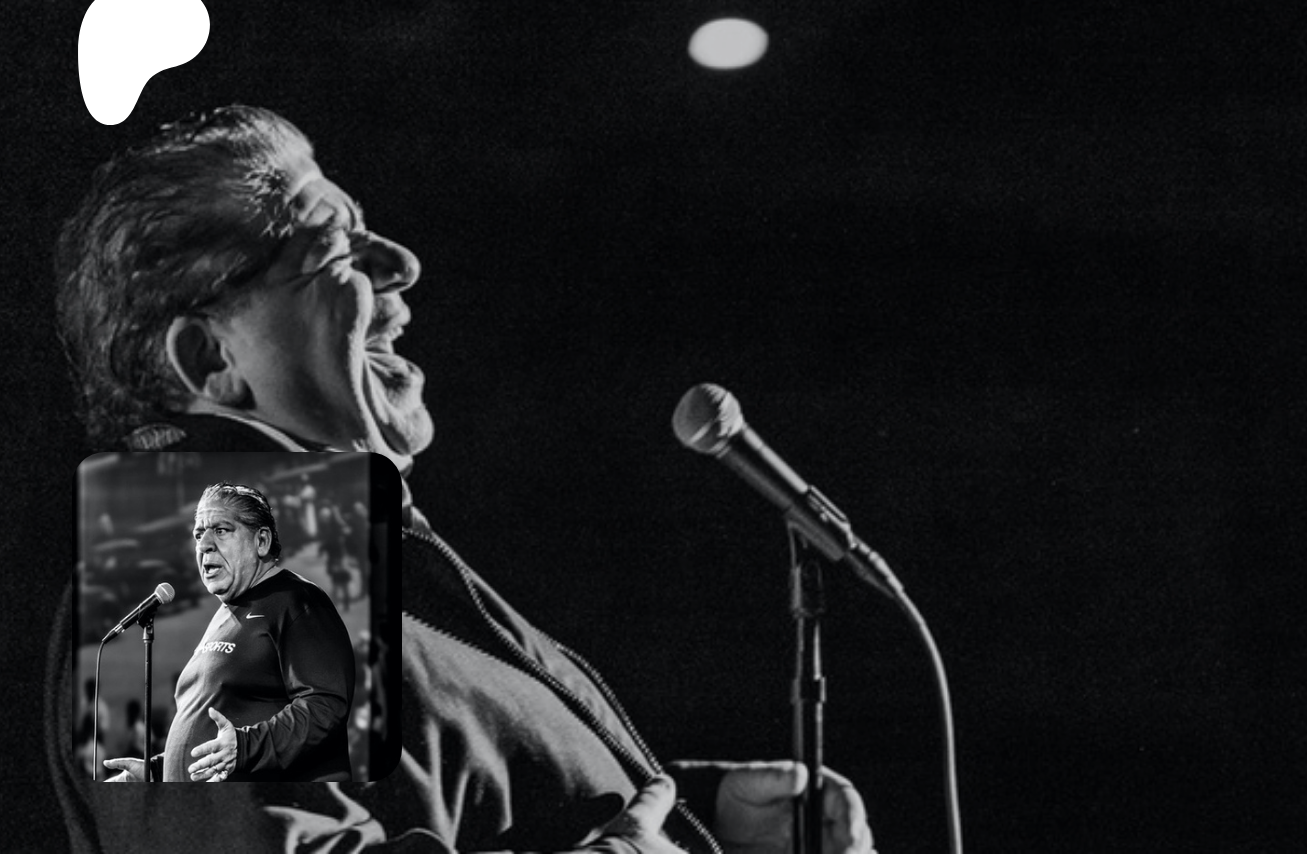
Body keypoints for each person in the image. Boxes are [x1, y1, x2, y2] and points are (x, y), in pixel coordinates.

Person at [51, 105, 874, 854]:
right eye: (336, 249)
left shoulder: (299, 551)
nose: (401, 265)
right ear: (211, 358)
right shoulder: (182, 561)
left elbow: (441, 800)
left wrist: (689, 815)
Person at [100, 482, 356, 783]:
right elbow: (219, 732)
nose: (204, 545)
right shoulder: (227, 612)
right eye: (199, 534)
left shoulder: (298, 601)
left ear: (261, 541)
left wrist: (245, 747)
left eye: (221, 530)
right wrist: (158, 771)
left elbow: (325, 706)